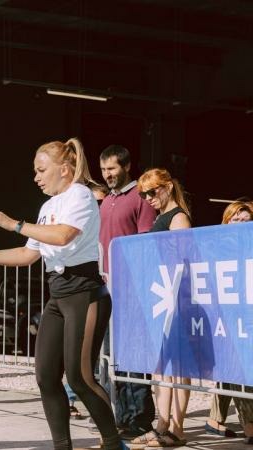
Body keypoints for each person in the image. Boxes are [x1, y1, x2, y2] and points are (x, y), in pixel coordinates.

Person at [0, 138, 126, 450]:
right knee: (46, 377)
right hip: (58, 295)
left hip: (85, 293)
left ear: (64, 169)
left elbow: (63, 236)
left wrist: (14, 224)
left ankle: (114, 443)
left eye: (41, 170)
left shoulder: (81, 196)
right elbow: (28, 255)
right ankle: (62, 446)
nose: (36, 176)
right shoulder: (47, 206)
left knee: (80, 378)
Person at [98, 145, 157, 439]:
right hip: (106, 288)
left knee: (133, 357)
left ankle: (140, 418)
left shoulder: (140, 199)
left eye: (112, 169)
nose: (108, 175)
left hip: (131, 289)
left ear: (127, 166)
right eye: (104, 170)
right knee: (112, 356)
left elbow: (144, 243)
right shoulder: (105, 201)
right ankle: (120, 416)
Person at [130, 168, 191, 448]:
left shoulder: (178, 218)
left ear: (167, 187)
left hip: (174, 297)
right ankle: (163, 424)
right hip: (162, 295)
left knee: (176, 366)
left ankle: (175, 428)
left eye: (152, 192)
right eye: (143, 194)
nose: (147, 198)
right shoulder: (165, 217)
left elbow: (181, 260)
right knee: (161, 367)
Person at [203, 200, 253, 444]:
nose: (242, 224)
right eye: (236, 219)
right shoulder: (217, 247)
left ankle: (215, 418)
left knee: (232, 368)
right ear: (227, 221)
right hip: (224, 316)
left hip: (245, 316)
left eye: (247, 220)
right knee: (238, 368)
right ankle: (250, 425)